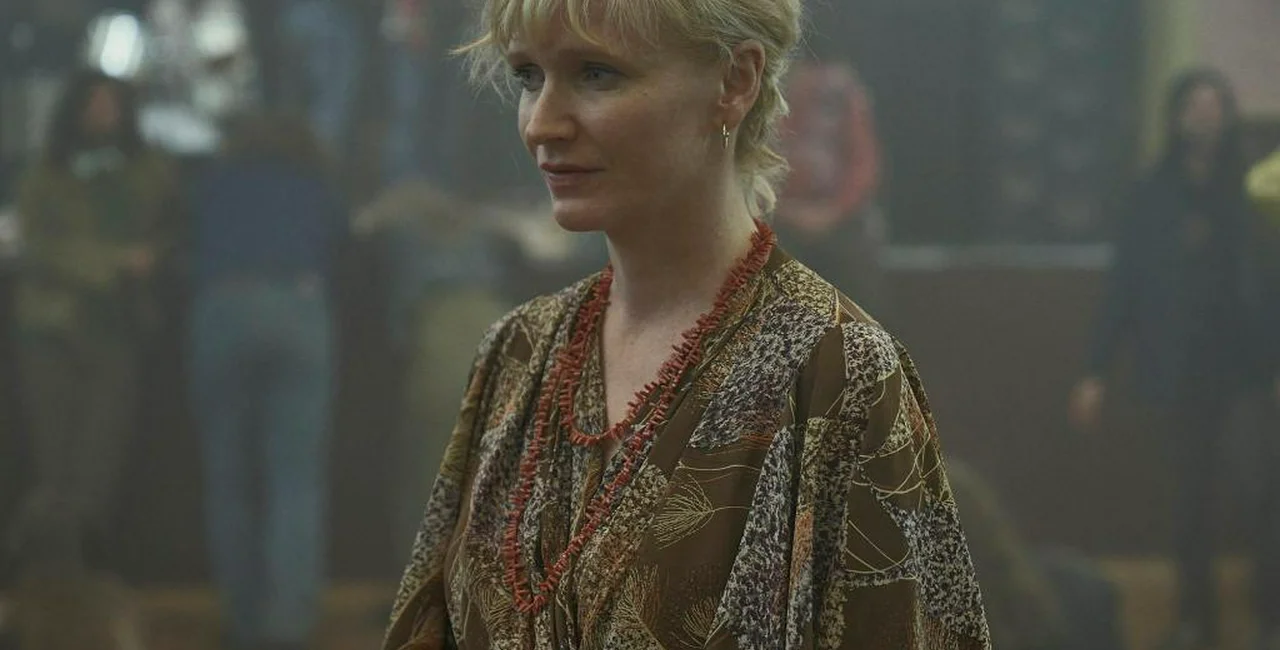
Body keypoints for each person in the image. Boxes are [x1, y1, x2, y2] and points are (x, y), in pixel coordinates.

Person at [383, 0, 990, 647]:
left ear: (734, 81)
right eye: (529, 77)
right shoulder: (517, 351)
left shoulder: (837, 371)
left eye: (596, 74)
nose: (542, 124)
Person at [1069, 69, 1265, 650]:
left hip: (1247, 372)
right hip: (1179, 372)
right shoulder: (1152, 194)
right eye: (1195, 105)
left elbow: (1266, 285)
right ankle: (1195, 622)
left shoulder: (1249, 193)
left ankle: (1265, 617)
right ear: (1177, 117)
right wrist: (1095, 370)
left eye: (1216, 105)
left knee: (1259, 492)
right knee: (1190, 504)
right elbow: (1124, 287)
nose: (1206, 115)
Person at [187, 111, 345, 650]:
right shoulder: (312, 185)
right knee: (295, 479)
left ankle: (241, 620)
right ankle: (287, 626)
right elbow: (343, 240)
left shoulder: (215, 183)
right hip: (298, 308)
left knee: (227, 477)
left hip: (223, 308)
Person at [11, 67, 178, 570]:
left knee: (98, 469)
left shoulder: (149, 172)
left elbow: (173, 229)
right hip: (51, 331)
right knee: (55, 468)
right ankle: (53, 581)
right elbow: (37, 244)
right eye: (94, 102)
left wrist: (151, 256)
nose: (104, 112)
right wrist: (111, 263)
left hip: (116, 333)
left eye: (112, 102)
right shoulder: (46, 174)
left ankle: (85, 581)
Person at [774, 48, 887, 312]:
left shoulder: (843, 93)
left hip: (838, 219)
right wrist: (786, 210)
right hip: (779, 216)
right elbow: (753, 163)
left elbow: (863, 165)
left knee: (856, 255)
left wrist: (832, 212)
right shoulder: (766, 96)